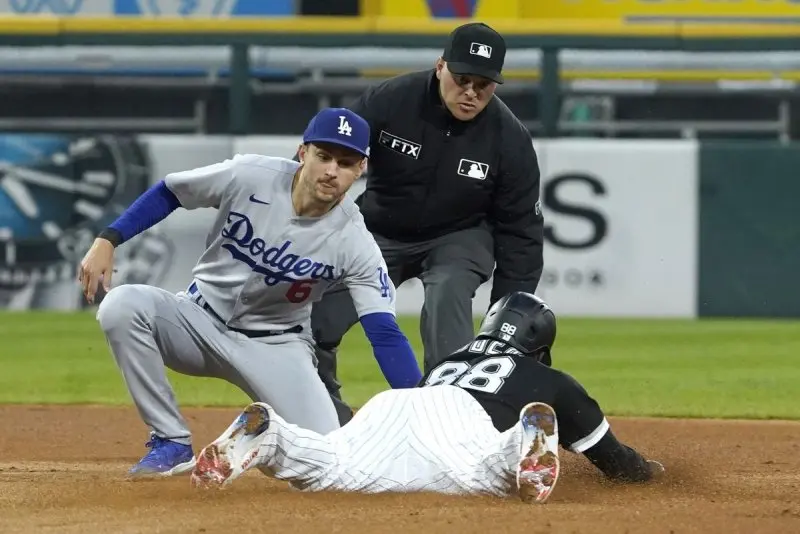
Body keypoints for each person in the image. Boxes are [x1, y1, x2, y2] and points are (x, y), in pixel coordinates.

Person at [78, 108, 422, 478]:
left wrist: (423, 403)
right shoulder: (250, 175)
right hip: (197, 321)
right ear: (303, 153)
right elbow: (171, 191)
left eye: (345, 162)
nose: (331, 171)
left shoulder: (355, 242)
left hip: (276, 347)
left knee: (326, 465)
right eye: (323, 156)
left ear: (361, 170)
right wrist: (108, 239)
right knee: (122, 306)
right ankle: (170, 441)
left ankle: (261, 438)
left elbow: (383, 332)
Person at [189, 292, 664, 503]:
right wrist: (651, 473)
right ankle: (519, 446)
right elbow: (617, 462)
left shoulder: (451, 358)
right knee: (479, 471)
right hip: (460, 424)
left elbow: (418, 419)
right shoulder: (551, 379)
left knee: (333, 464)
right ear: (539, 348)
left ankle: (272, 437)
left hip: (398, 403)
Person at [309, 21, 545, 425]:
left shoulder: (510, 140)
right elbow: (331, 161)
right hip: (379, 229)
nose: (470, 92)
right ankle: (323, 410)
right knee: (319, 315)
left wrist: (503, 321)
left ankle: (447, 417)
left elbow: (521, 233)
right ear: (440, 67)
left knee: (448, 293)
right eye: (462, 78)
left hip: (459, 235)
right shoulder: (391, 100)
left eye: (484, 84)